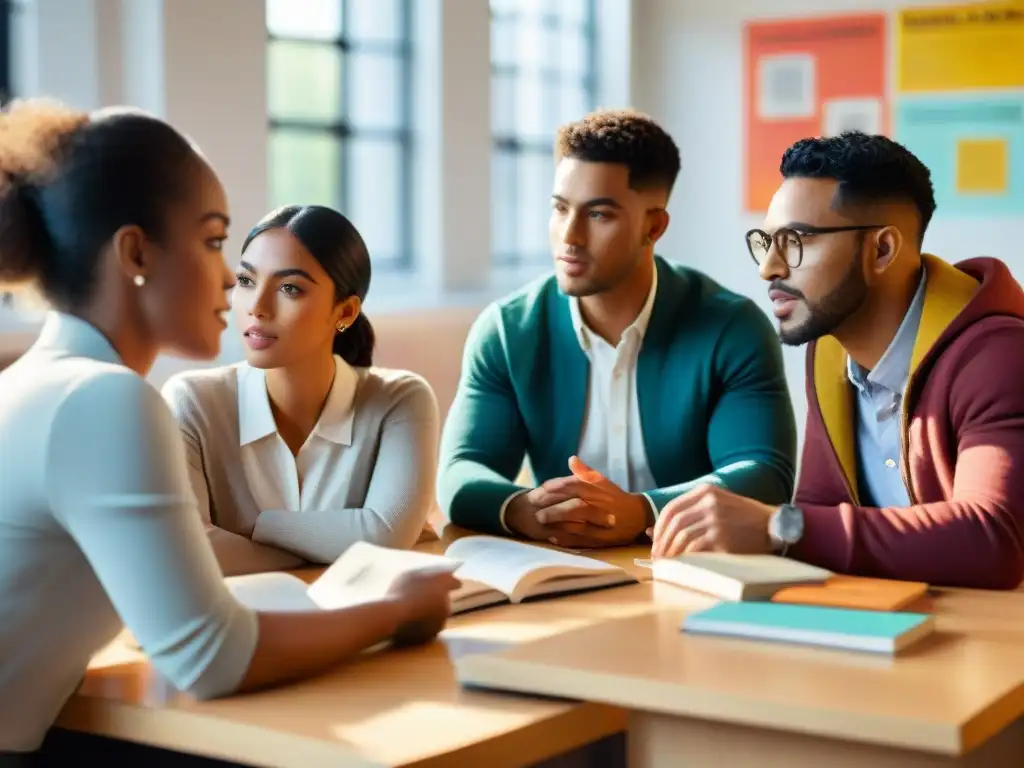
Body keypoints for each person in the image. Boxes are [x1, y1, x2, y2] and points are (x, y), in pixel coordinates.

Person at [0, 99, 459, 760]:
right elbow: (210, 656)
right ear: (135, 251)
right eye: (215, 242)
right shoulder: (104, 400)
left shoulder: (40, 380)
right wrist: (393, 610)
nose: (230, 283)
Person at [650, 131, 1024, 590]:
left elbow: (991, 540)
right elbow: (820, 508)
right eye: (765, 242)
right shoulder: (829, 353)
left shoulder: (1001, 356)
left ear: (882, 250)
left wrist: (777, 527)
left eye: (795, 241)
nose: (769, 267)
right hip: (895, 626)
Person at [437, 109, 797, 548]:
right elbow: (461, 471)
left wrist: (643, 510)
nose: (569, 236)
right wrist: (521, 508)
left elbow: (762, 472)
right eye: (560, 208)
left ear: (653, 226)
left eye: (599, 215)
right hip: (561, 573)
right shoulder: (508, 331)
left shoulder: (732, 328)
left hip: (694, 570)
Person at [161, 205, 441, 576]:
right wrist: (334, 546)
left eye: (289, 288)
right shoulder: (190, 402)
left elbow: (385, 536)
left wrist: (256, 526)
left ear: (345, 312)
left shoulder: (400, 399)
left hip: (362, 623)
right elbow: (188, 554)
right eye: (246, 281)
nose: (256, 308)